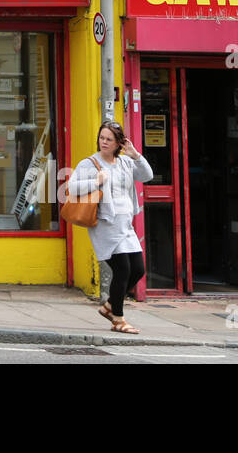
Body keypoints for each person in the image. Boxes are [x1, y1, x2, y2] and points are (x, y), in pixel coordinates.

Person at [66, 120, 152, 334]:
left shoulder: (125, 162)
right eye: (101, 138)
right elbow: (71, 187)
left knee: (138, 270)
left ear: (118, 143)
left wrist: (135, 155)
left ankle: (109, 306)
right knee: (122, 269)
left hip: (125, 224)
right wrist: (95, 181)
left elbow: (147, 175)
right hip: (105, 224)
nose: (104, 142)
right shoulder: (90, 164)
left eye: (109, 139)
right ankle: (118, 319)